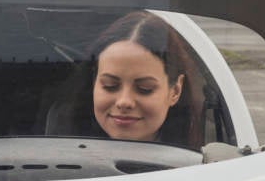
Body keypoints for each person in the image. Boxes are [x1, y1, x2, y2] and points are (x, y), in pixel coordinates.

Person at [86, 10, 204, 148]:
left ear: (175, 91)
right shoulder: (57, 150)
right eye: (110, 85)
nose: (124, 101)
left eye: (144, 89)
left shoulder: (210, 163)